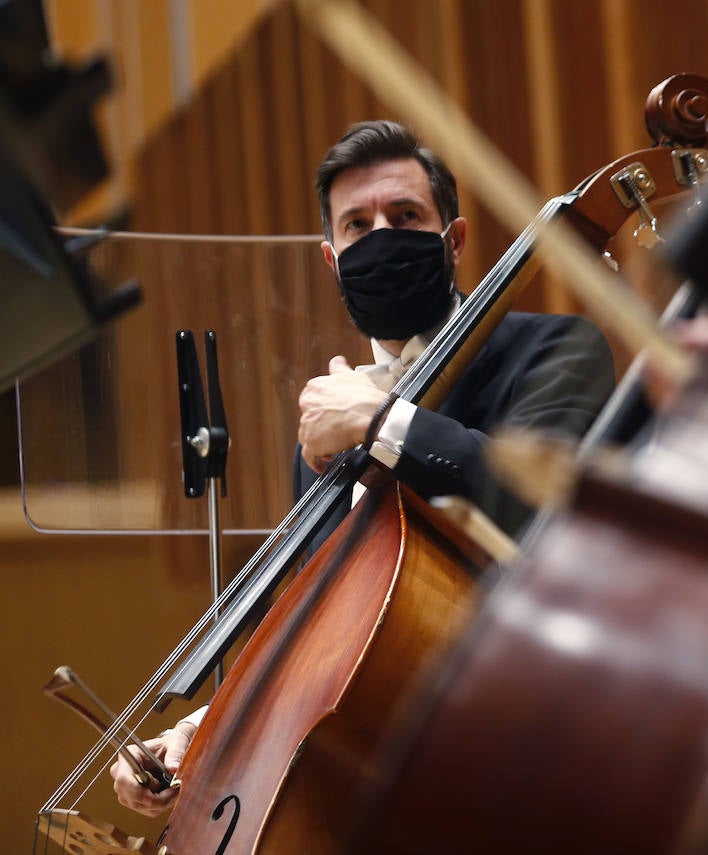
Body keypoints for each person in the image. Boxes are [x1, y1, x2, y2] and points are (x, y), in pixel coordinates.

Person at [111, 120, 616, 816]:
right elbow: (320, 636)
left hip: (528, 763)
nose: (381, 236)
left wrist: (381, 422)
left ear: (455, 239)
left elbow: (540, 510)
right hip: (383, 792)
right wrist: (200, 733)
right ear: (332, 257)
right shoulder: (323, 441)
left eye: (405, 216)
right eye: (358, 225)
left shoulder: (556, 349)